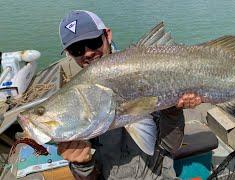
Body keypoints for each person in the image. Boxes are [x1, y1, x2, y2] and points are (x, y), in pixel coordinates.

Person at [57, 10, 202, 180]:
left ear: (107, 35)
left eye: (93, 42)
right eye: (76, 49)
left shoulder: (144, 71)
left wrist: (173, 110)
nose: (88, 52)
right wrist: (82, 164)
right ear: (69, 53)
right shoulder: (77, 105)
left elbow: (170, 146)